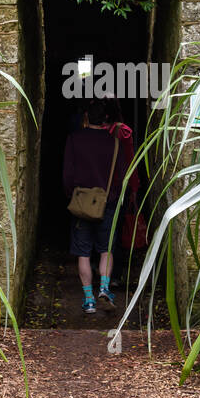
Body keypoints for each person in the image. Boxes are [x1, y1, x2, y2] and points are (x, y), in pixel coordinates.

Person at [62, 98, 132, 314]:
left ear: (86, 117)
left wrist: (72, 197)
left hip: (82, 202)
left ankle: (89, 299)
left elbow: (67, 174)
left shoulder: (74, 139)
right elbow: (122, 175)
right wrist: (116, 196)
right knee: (106, 250)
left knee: (83, 253)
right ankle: (103, 288)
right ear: (107, 120)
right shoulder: (115, 143)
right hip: (107, 202)